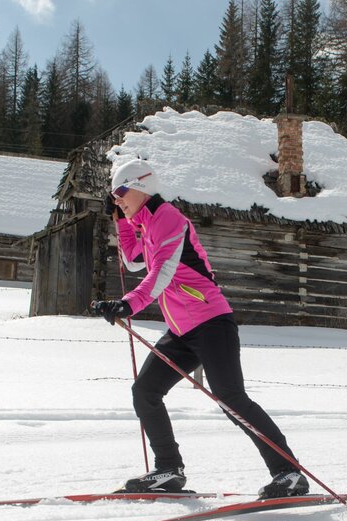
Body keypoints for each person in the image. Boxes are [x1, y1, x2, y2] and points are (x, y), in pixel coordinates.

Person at [91, 157, 309, 499]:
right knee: (145, 392)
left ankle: (289, 473)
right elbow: (134, 261)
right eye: (113, 194)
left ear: (141, 186)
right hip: (181, 330)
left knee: (231, 399)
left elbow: (159, 273)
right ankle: (168, 471)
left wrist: (128, 304)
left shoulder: (169, 219)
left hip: (211, 323)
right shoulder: (146, 224)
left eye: (120, 192)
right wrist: (120, 220)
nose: (116, 197)